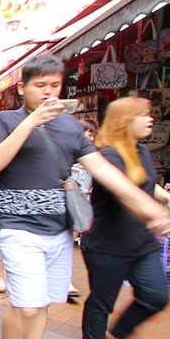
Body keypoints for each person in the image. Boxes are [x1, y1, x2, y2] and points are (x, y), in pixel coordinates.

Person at [0, 55, 170, 339]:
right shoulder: (5, 119)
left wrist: (150, 206)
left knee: (40, 306)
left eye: (54, 85)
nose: (48, 92)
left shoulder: (71, 128)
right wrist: (31, 123)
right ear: (23, 87)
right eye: (39, 85)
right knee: (26, 304)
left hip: (59, 230)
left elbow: (103, 170)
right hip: (16, 226)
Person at [80, 97, 170, 339]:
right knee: (103, 300)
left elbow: (146, 185)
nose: (150, 119)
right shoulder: (107, 156)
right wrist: (154, 214)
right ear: (123, 120)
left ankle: (119, 334)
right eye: (142, 115)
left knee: (156, 295)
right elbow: (125, 193)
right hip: (107, 243)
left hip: (141, 243)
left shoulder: (140, 150)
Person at [67, 118, 100, 299]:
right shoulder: (72, 155)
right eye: (88, 133)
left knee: (69, 241)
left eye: (93, 134)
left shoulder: (92, 155)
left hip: (83, 204)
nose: (91, 137)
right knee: (68, 242)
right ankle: (66, 280)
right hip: (73, 203)